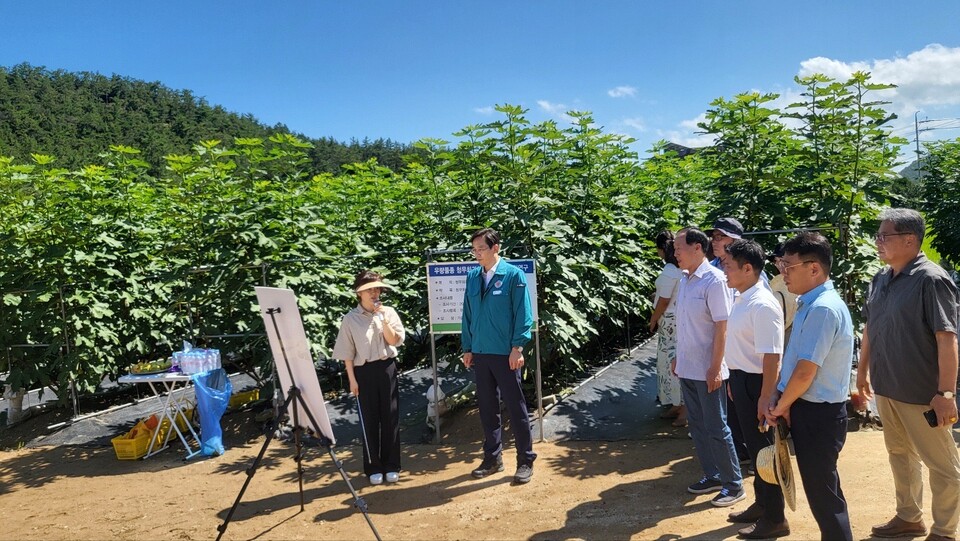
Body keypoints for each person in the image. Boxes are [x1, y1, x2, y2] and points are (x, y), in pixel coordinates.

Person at [857, 208, 960, 541]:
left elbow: (947, 338)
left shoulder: (932, 279)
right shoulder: (881, 278)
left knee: (943, 466)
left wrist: (946, 393)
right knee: (900, 455)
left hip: (922, 393)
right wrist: (863, 371)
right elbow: (870, 328)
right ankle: (909, 518)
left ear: (910, 240)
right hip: (887, 388)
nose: (878, 242)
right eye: (878, 236)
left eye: (884, 236)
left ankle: (944, 532)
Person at [764, 231, 854, 541]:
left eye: (788, 266)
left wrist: (780, 404)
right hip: (809, 409)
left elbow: (805, 372)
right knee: (822, 493)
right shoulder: (811, 303)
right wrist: (782, 396)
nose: (782, 272)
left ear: (813, 268)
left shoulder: (822, 309)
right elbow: (796, 366)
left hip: (819, 414)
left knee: (824, 497)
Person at [721, 239, 789, 539]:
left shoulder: (762, 303)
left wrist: (764, 396)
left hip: (757, 383)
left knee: (765, 453)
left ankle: (775, 519)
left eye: (729, 266)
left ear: (748, 268)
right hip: (742, 381)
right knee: (754, 447)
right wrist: (734, 380)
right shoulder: (743, 296)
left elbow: (772, 355)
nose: (725, 271)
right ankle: (762, 505)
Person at [672, 227, 744, 507]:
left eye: (679, 248)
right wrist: (679, 356)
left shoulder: (714, 281)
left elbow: (722, 327)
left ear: (697, 249)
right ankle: (712, 475)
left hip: (707, 370)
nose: (675, 252)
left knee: (717, 426)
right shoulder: (685, 279)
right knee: (699, 425)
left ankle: (734, 484)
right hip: (688, 367)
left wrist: (715, 368)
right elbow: (685, 325)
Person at [461, 228, 537, 484]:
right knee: (487, 409)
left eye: (480, 249)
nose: (476, 254)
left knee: (516, 408)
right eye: (474, 250)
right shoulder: (473, 277)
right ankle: (492, 458)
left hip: (505, 354)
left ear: (496, 248)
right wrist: (468, 347)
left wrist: (518, 347)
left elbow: (523, 315)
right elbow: (467, 316)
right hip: (481, 353)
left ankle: (525, 460)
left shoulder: (513, 276)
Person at [332, 270, 406, 486]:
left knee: (390, 418)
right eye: (369, 290)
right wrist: (352, 380)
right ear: (359, 293)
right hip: (363, 372)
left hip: (387, 368)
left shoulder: (389, 312)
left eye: (377, 289)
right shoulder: (350, 319)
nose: (375, 293)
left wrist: (383, 320)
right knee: (369, 420)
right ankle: (373, 467)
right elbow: (347, 353)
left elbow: (394, 341)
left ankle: (392, 465)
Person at [706, 217, 752, 467]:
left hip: (741, 346)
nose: (715, 241)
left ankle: (747, 452)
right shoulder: (712, 268)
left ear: (736, 240)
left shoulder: (749, 269)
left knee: (740, 401)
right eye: (714, 236)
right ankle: (733, 448)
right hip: (720, 344)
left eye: (721, 237)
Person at [649, 230, 686, 427]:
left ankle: (683, 409)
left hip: (670, 321)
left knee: (673, 364)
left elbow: (663, 301)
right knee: (670, 363)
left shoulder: (670, 271)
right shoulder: (679, 269)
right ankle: (676, 404)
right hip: (675, 321)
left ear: (662, 249)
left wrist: (653, 319)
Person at [767, 243, 799, 347]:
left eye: (781, 261)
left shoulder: (800, 281)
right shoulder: (777, 282)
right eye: (775, 261)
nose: (778, 265)